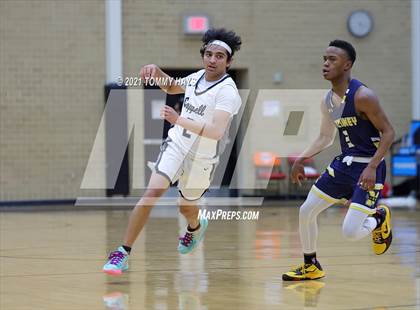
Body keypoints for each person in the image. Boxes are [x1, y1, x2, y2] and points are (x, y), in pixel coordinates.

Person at [103, 28, 242, 275]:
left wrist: (179, 119)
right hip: (176, 144)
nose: (212, 59)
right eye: (208, 54)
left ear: (229, 61)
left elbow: (216, 131)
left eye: (219, 56)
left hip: (203, 158)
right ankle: (122, 252)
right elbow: (171, 87)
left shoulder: (227, 91)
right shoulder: (197, 77)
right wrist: (156, 71)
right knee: (152, 193)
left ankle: (195, 227)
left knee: (185, 208)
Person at [282, 40, 395, 281]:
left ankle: (378, 217)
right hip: (343, 165)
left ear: (347, 65)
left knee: (351, 232)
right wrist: (301, 158)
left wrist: (372, 166)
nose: (325, 63)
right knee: (306, 211)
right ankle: (311, 265)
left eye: (332, 59)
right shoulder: (328, 101)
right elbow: (325, 137)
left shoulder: (364, 96)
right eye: (325, 58)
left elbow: (389, 133)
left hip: (369, 168)